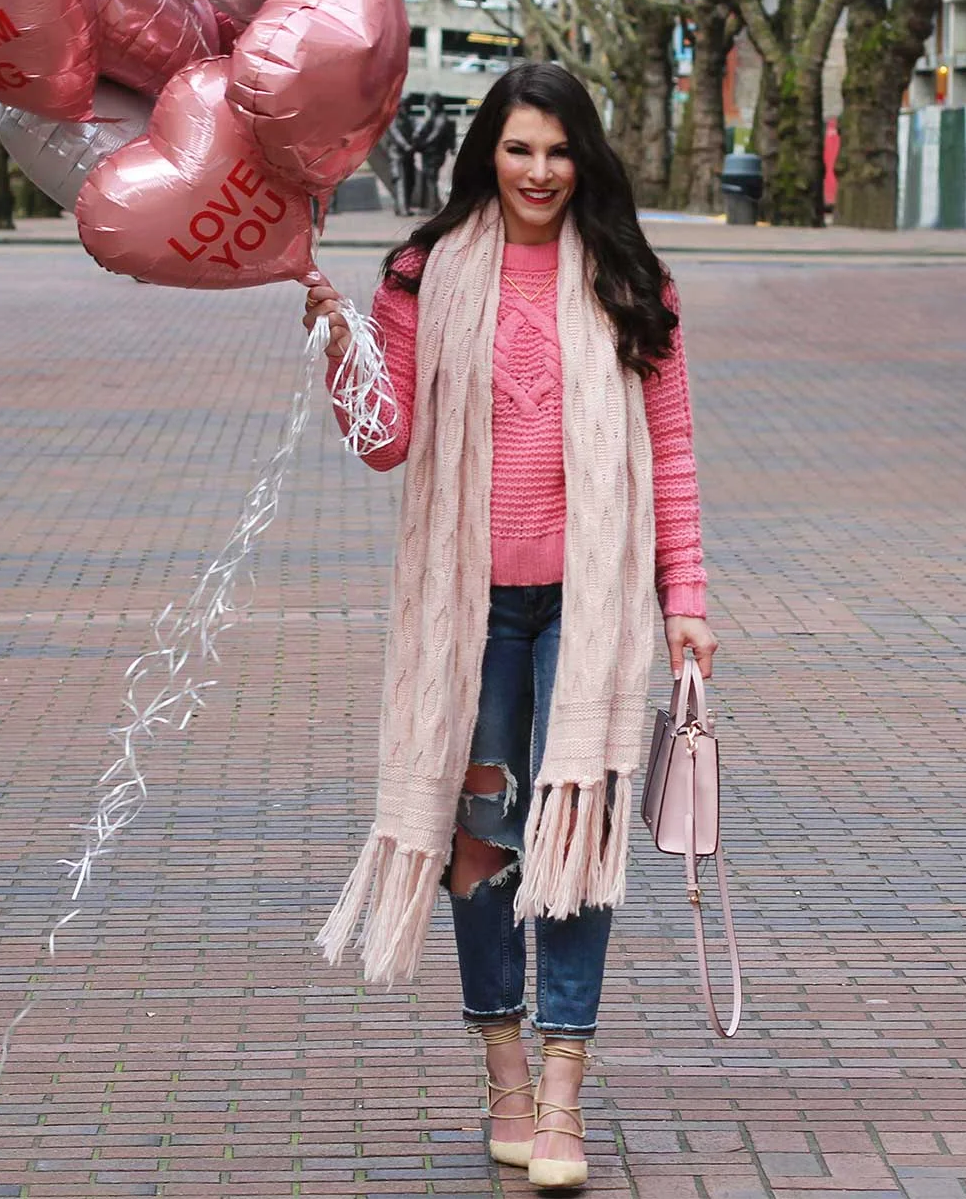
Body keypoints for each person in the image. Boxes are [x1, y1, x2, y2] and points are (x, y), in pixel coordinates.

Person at [304, 60, 716, 1191]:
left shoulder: (635, 281)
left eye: (559, 149)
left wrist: (685, 599)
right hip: (471, 610)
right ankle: (504, 1073)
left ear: (586, 158)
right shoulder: (424, 272)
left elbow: (668, 453)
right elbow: (384, 442)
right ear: (488, 150)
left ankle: (568, 1089)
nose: (540, 171)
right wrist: (343, 343)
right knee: (481, 844)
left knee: (574, 838)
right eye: (520, 147)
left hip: (588, 606)